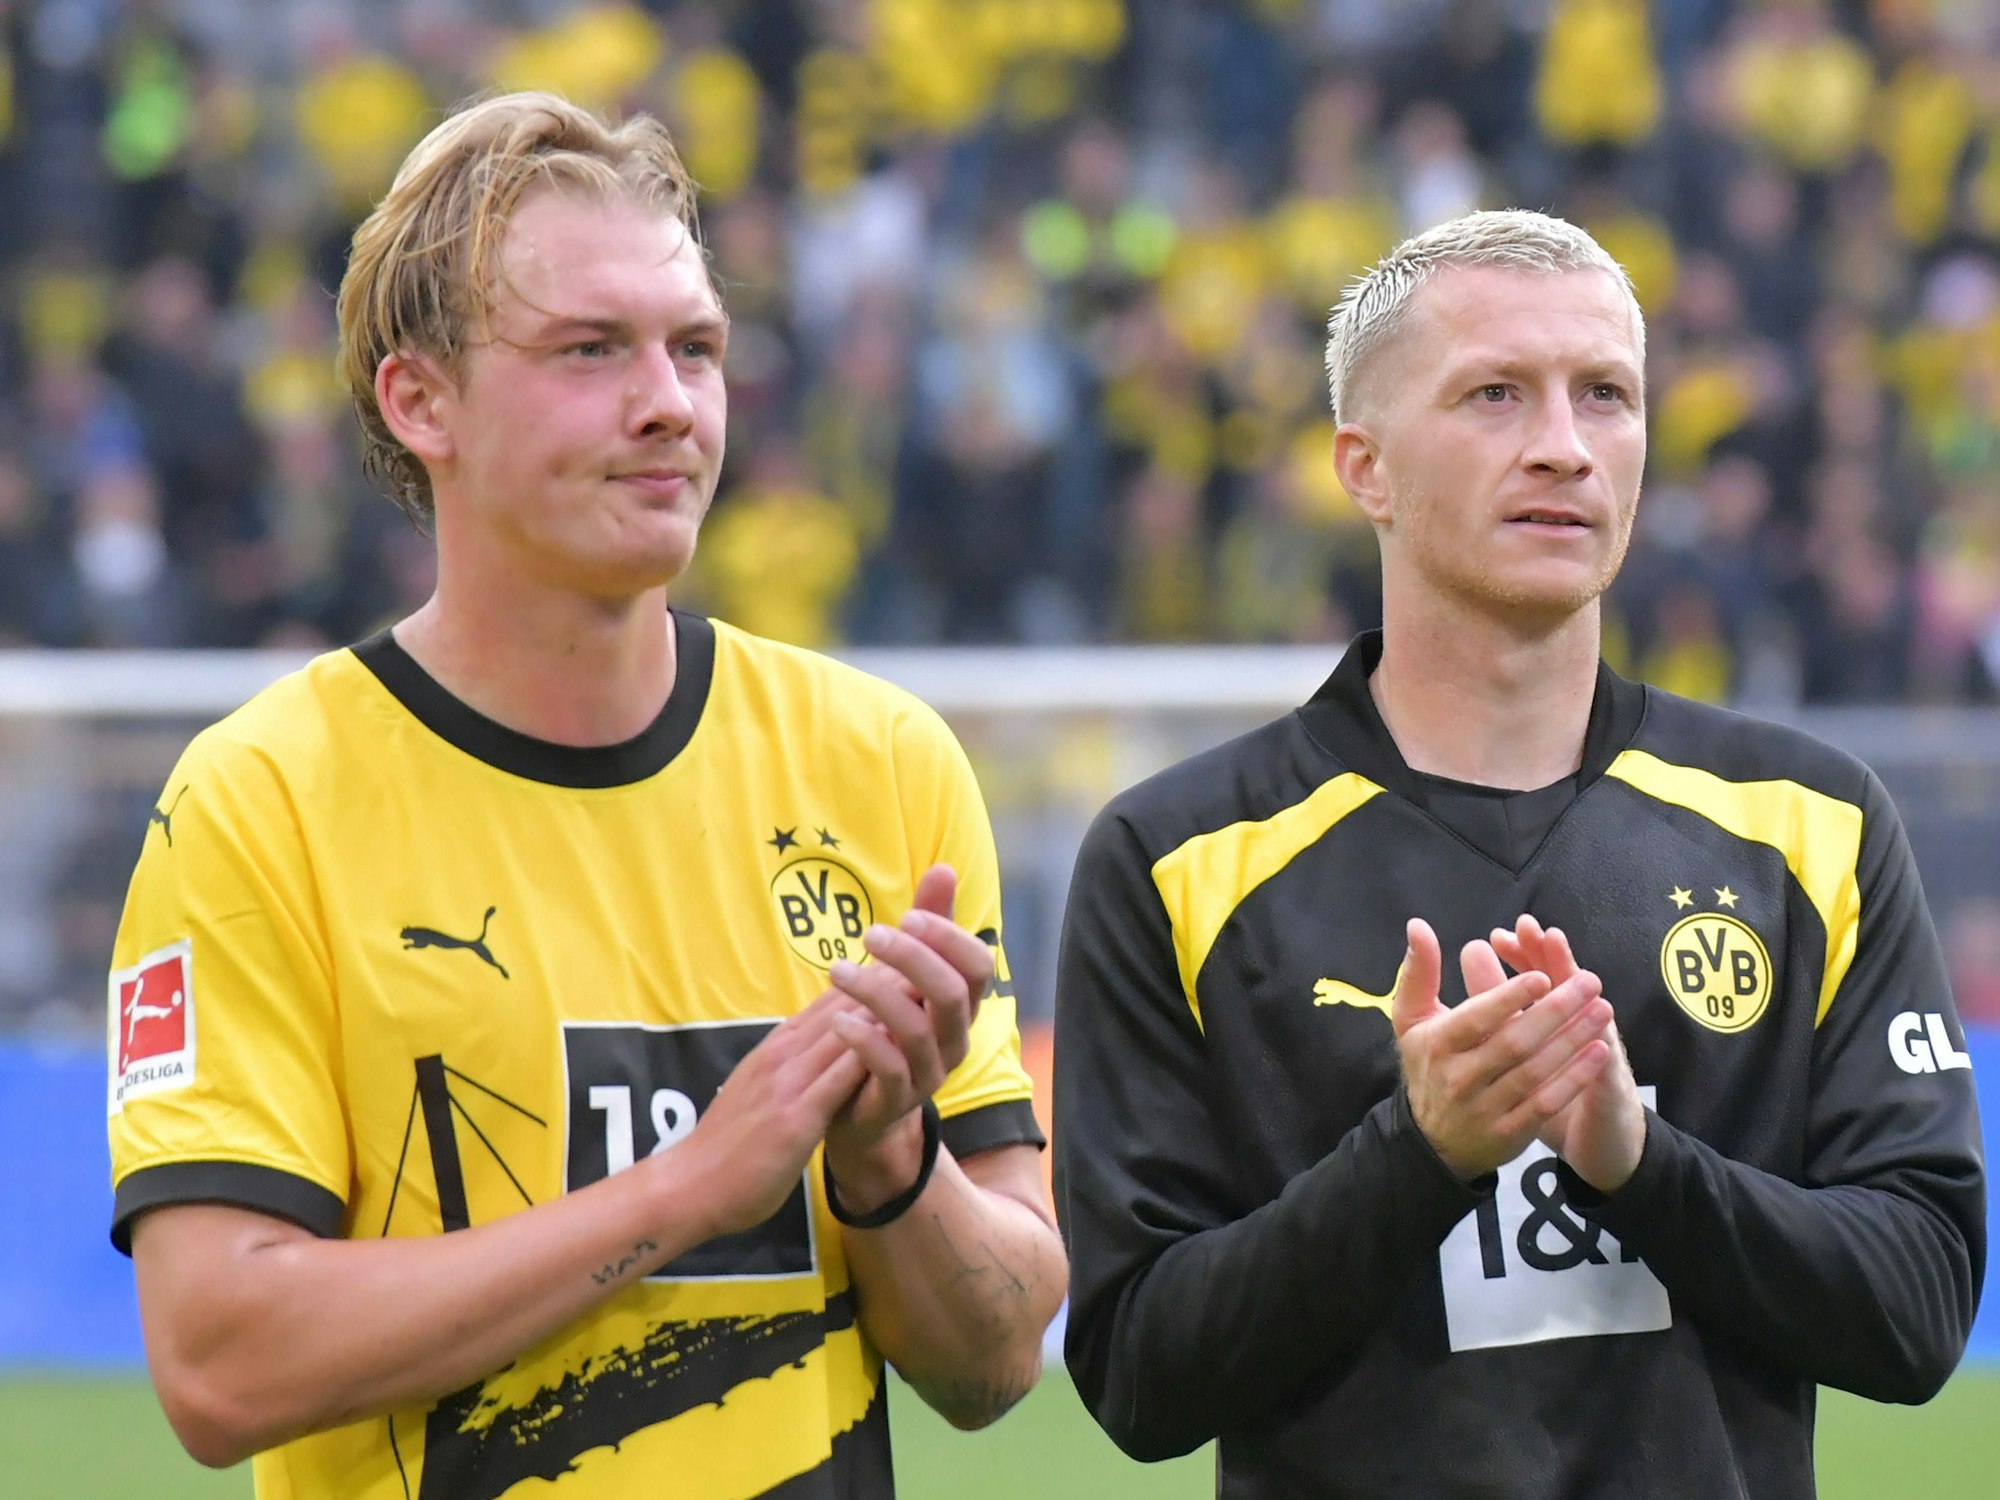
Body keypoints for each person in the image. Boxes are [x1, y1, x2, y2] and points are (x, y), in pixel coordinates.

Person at [107, 92, 1066, 1500]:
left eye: (697, 349)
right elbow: (218, 1366)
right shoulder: (262, 800)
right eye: (590, 350)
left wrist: (887, 1164)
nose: (668, 403)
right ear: (417, 399)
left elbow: (996, 1362)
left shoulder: (882, 761)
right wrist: (686, 1191)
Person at [1053, 209, 1984, 1499]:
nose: (1564, 446)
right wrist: (1419, 1153)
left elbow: (1921, 1306)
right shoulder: (1177, 859)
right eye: (1496, 394)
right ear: (1364, 468)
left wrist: (1641, 1168)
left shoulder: (1810, 824)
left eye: (1604, 395)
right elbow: (1139, 1377)